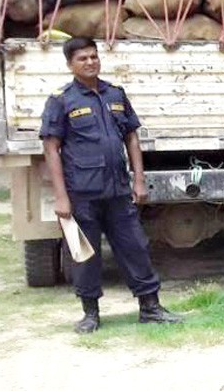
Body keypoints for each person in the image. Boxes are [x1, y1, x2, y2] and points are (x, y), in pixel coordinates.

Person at [40, 37, 182, 333]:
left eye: (94, 56)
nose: (90, 62)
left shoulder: (115, 94)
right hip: (82, 194)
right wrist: (61, 197)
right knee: (84, 255)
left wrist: (139, 179)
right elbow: (51, 148)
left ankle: (151, 308)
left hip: (118, 191)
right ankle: (90, 314)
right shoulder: (61, 100)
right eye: (82, 58)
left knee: (135, 248)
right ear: (70, 65)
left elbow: (131, 137)